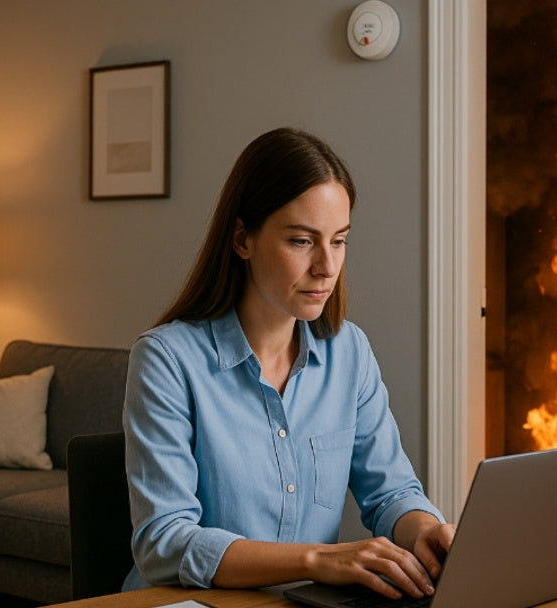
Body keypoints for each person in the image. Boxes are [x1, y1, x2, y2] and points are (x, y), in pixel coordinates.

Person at [122, 127, 455, 600]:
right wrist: (318, 560)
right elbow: (165, 542)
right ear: (243, 239)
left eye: (339, 241)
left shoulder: (349, 351)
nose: (327, 266)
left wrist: (425, 530)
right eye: (302, 241)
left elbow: (391, 492)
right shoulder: (166, 360)